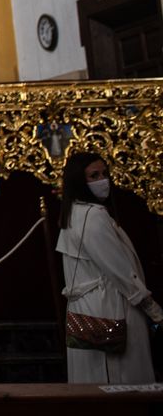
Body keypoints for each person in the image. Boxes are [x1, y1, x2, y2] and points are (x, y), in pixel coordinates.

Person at [57, 152, 163, 384]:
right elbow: (120, 270)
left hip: (88, 310)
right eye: (94, 175)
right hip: (109, 308)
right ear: (78, 181)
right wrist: (153, 309)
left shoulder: (73, 212)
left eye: (104, 174)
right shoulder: (92, 216)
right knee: (118, 381)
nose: (102, 180)